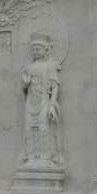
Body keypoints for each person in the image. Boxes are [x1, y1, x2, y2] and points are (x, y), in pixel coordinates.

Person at [20, 32, 62, 167]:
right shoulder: (29, 68)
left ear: (46, 50)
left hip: (44, 102)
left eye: (38, 49)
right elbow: (24, 88)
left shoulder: (50, 66)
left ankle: (45, 157)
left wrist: (52, 105)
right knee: (29, 129)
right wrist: (26, 83)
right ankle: (31, 156)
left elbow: (55, 86)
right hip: (30, 103)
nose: (35, 51)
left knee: (44, 129)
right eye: (33, 49)